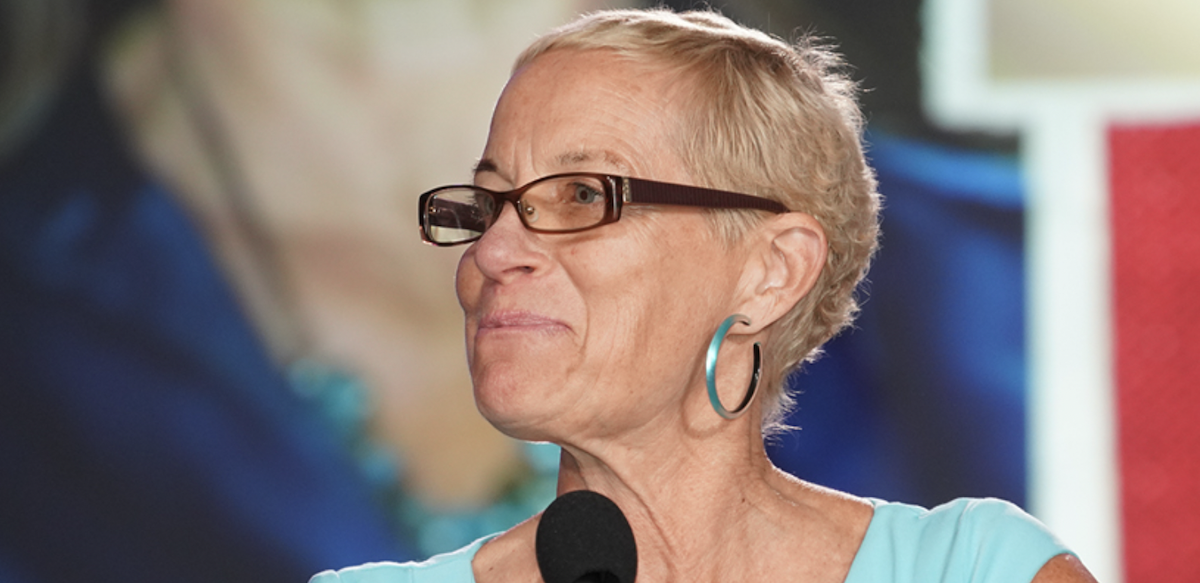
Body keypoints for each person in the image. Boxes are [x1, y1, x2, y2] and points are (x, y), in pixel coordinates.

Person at [311, 7, 1098, 583]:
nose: (493, 249)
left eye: (583, 196)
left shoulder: (978, 570)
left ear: (772, 271)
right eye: (486, 205)